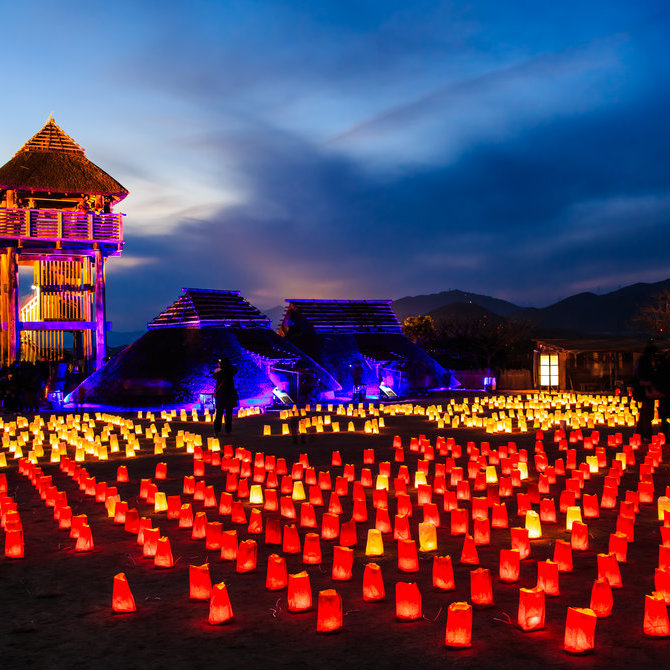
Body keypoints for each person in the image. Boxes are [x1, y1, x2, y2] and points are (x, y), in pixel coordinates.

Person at [213, 357, 238, 435]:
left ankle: (217, 430)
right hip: (229, 395)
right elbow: (235, 370)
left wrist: (219, 368)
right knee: (229, 414)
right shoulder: (230, 371)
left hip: (220, 396)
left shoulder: (218, 372)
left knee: (219, 414)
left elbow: (214, 376)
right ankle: (228, 430)